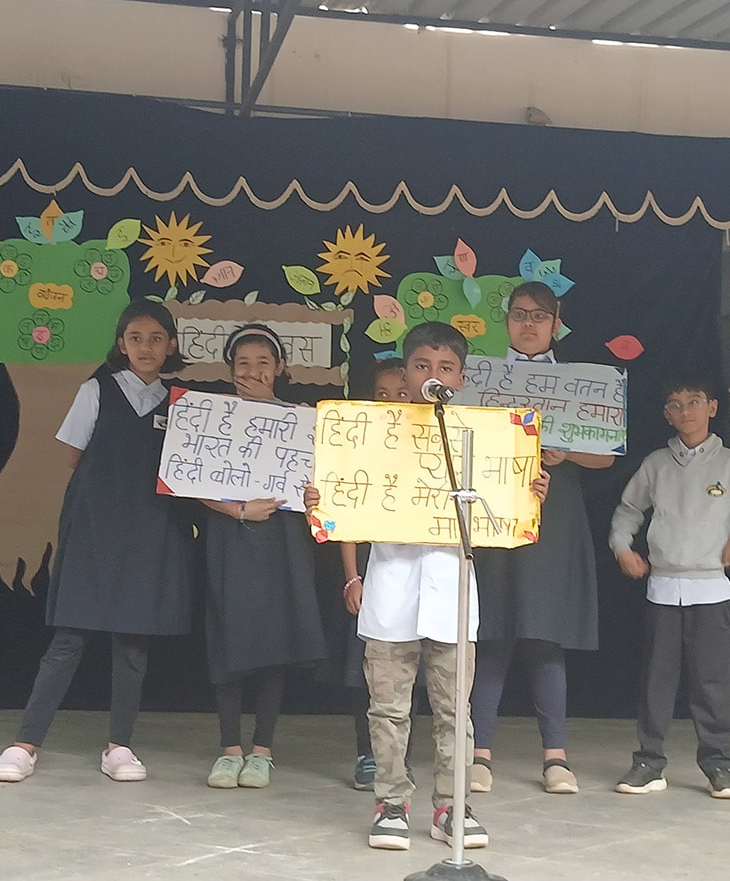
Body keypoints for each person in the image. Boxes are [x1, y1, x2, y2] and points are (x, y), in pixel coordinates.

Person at [305, 322, 550, 852]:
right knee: (388, 710)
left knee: (454, 712)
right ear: (406, 372)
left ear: (460, 378)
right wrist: (324, 502)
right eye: (421, 366)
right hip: (391, 589)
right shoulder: (374, 433)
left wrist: (526, 492)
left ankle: (451, 806)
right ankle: (391, 802)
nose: (432, 376)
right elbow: (344, 497)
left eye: (445, 368)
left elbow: (501, 509)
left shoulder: (480, 437)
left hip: (453, 594)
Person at [0, 300, 195, 784]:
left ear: (171, 345)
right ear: (122, 344)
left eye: (156, 338)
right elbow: (73, 456)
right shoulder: (96, 389)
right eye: (136, 338)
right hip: (94, 531)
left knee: (133, 644)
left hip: (150, 535)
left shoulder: (182, 403)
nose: (146, 347)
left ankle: (119, 746)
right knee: (69, 640)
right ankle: (24, 745)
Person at [470, 281, 613, 796]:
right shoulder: (482, 378)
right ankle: (479, 755)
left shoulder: (580, 383)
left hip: (555, 519)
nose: (528, 324)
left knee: (546, 638)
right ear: (506, 321)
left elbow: (607, 456)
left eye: (539, 315)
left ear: (556, 323)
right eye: (519, 314)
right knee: (492, 635)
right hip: (497, 515)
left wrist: (566, 453)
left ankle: (556, 758)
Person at [608, 370, 730, 800]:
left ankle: (719, 765)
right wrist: (622, 548)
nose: (686, 412)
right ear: (667, 414)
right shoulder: (656, 464)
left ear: (712, 408)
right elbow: (628, 510)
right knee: (656, 680)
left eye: (695, 402)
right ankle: (649, 761)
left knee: (712, 682)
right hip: (663, 587)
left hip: (711, 589)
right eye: (676, 405)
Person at [201, 323, 326, 790]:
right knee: (229, 637)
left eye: (263, 363)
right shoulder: (211, 416)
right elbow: (189, 479)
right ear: (230, 369)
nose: (253, 371)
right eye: (243, 363)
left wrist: (313, 498)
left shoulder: (301, 419)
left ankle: (262, 751)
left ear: (280, 368)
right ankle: (229, 749)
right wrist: (237, 509)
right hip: (230, 535)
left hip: (284, 539)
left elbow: (320, 482)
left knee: (276, 639)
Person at [339, 358, 417, 792]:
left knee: (411, 668)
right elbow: (348, 516)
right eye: (382, 394)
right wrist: (353, 577)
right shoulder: (360, 446)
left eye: (401, 393)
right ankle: (367, 753)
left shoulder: (433, 444)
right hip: (373, 566)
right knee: (366, 668)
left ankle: (402, 756)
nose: (392, 401)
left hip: (418, 568)